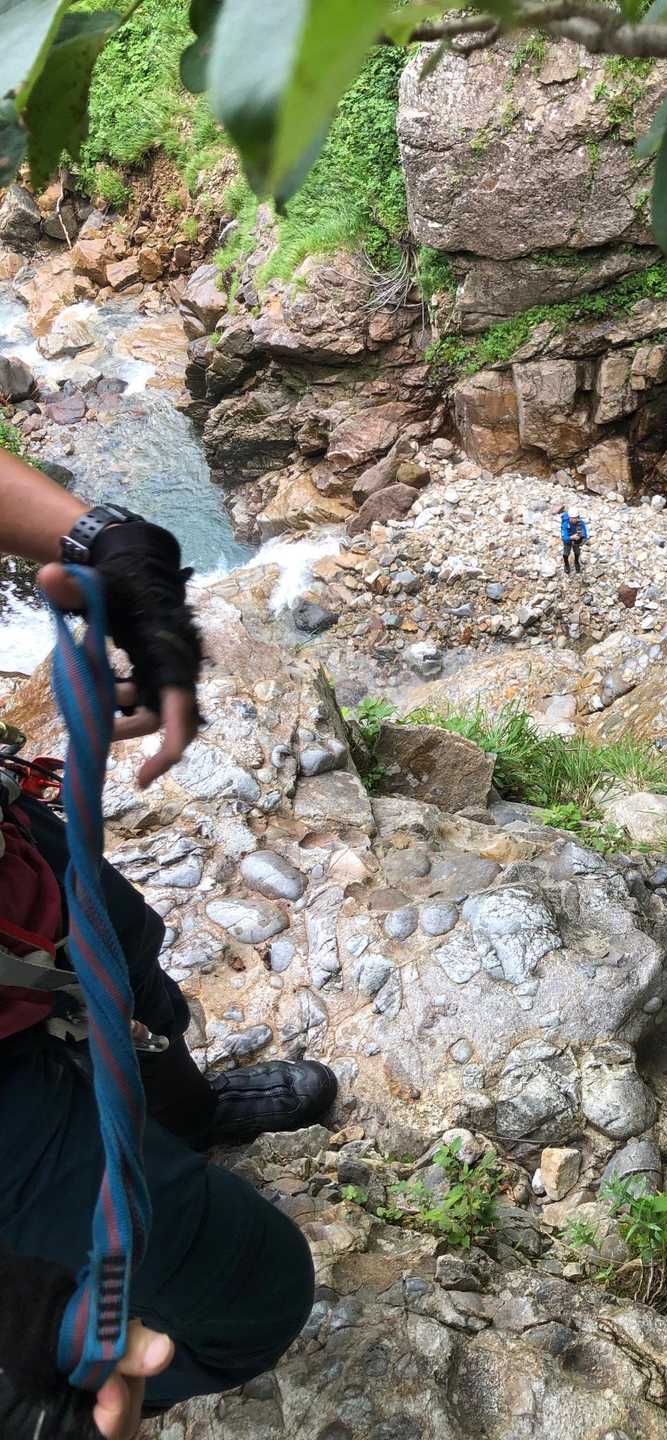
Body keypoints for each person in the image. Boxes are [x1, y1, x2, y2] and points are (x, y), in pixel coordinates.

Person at [0, 451, 337, 1439]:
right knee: (259, 1291)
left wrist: (102, 541)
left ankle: (181, 1119)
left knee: (136, 971)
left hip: (22, 876)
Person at [560, 508, 588, 574]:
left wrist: (581, 536)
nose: (574, 520)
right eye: (572, 518)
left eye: (576, 518)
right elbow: (564, 537)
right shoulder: (565, 524)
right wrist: (571, 537)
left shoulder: (580, 523)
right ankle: (566, 564)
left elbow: (584, 532)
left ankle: (576, 562)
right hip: (568, 541)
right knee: (565, 554)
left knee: (577, 553)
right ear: (569, 517)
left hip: (576, 541)